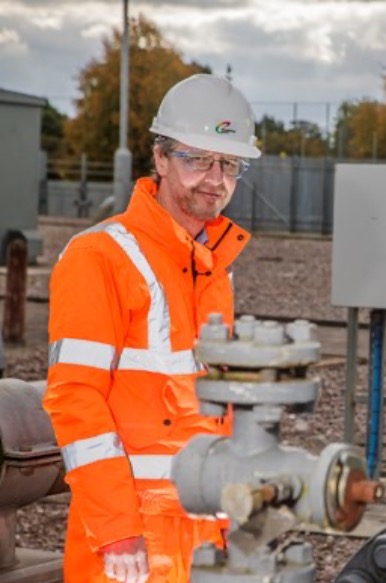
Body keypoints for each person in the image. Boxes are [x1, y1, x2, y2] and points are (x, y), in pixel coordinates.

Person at [44, 74, 261, 582]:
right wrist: (117, 530)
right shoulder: (99, 256)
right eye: (197, 159)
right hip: (132, 543)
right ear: (160, 159)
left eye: (229, 164)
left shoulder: (212, 268)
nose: (215, 178)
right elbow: (75, 398)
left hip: (202, 530)